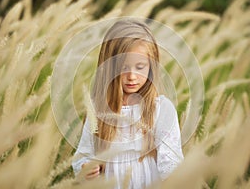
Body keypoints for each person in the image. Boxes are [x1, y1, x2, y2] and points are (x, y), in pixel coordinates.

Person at [72, 19, 184, 188]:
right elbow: (84, 154)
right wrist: (86, 168)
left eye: (140, 67)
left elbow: (171, 160)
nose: (132, 76)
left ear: (151, 67)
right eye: (124, 68)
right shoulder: (98, 109)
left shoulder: (160, 108)